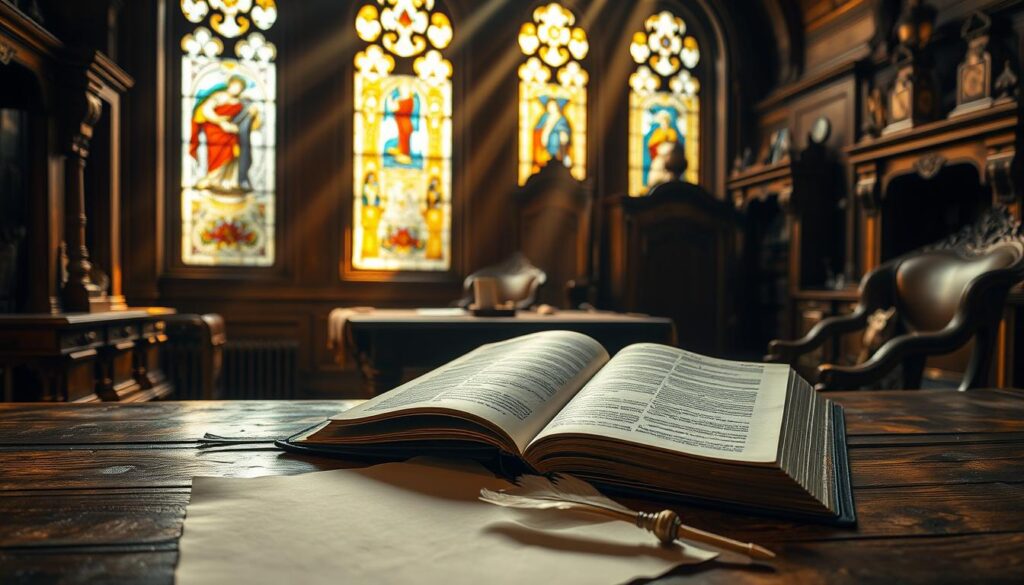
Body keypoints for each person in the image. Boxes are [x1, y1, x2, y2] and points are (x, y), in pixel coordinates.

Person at [189, 75, 260, 193]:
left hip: (233, 133)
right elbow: (206, 110)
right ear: (230, 85)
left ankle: (230, 181)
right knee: (217, 153)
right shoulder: (218, 96)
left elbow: (254, 124)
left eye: (240, 87)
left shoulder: (243, 102)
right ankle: (212, 180)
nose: (237, 89)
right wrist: (221, 122)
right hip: (215, 131)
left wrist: (254, 114)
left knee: (233, 154)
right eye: (235, 86)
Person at [532, 97, 571, 173]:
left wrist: (562, 134)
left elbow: (565, 131)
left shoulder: (561, 119)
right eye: (549, 106)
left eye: (553, 106)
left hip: (558, 148)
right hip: (544, 147)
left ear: (557, 107)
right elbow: (537, 129)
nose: (551, 108)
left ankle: (556, 159)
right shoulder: (545, 117)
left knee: (554, 136)